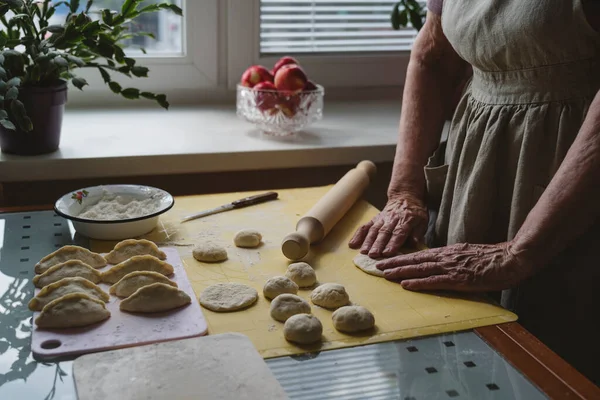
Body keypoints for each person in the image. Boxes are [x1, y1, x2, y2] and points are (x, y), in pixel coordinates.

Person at [349, 0, 600, 385]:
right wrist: (404, 191)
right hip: (475, 172)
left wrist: (520, 251)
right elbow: (432, 58)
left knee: (554, 362)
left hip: (573, 188)